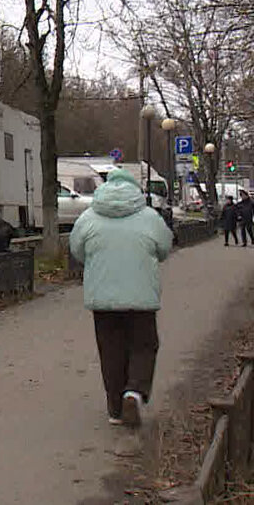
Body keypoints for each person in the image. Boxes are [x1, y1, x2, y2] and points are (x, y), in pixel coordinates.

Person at [70, 169, 174, 427]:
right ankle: (135, 391)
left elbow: (77, 249)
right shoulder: (150, 217)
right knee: (144, 345)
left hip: (102, 298)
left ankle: (115, 409)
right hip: (141, 296)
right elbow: (164, 248)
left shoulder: (88, 217)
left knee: (111, 350)